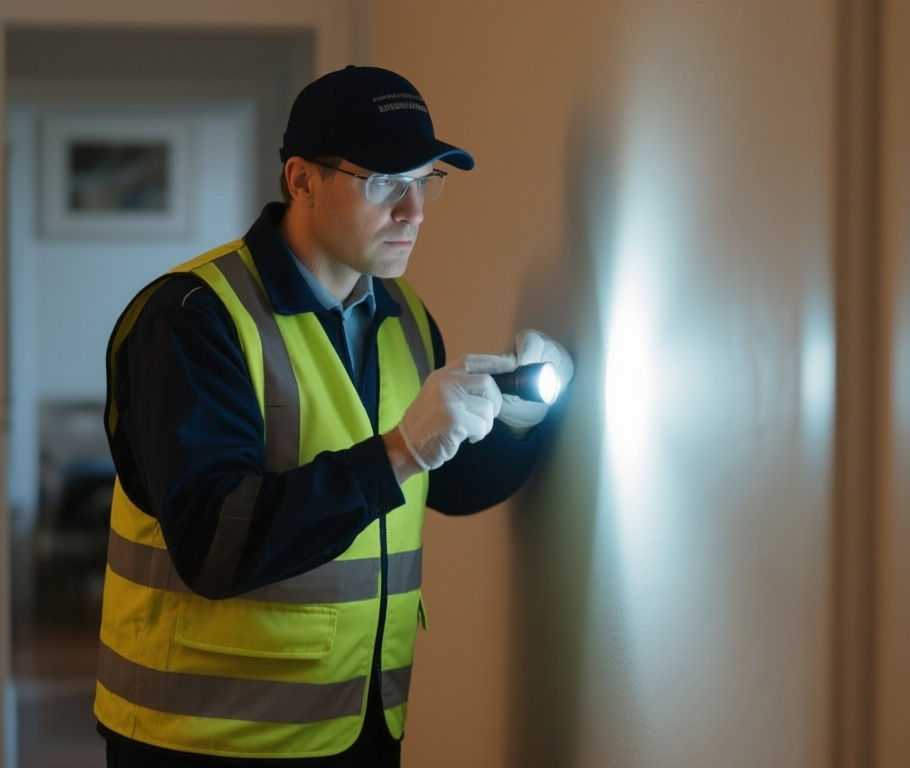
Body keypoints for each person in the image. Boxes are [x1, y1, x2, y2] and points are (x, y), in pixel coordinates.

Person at [93, 65, 573, 768]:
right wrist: (401, 450)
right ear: (301, 180)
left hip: (358, 725)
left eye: (427, 178)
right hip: (203, 736)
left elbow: (452, 483)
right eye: (384, 181)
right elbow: (214, 542)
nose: (414, 210)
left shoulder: (404, 316)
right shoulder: (193, 318)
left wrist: (524, 420)